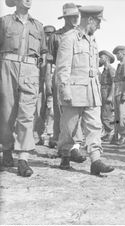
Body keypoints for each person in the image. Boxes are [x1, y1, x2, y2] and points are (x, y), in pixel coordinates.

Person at [56, 5, 114, 175]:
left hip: (92, 91)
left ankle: (96, 160)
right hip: (74, 91)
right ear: (89, 20)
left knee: (95, 126)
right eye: (97, 22)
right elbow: (62, 67)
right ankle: (65, 155)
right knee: (69, 127)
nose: (99, 26)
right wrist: (64, 89)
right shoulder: (69, 38)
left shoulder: (93, 40)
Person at [0, 0, 47, 176]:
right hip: (6, 66)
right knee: (5, 113)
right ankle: (6, 149)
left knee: (27, 114)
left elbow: (43, 53)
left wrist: (42, 77)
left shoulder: (38, 26)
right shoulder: (4, 21)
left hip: (30, 70)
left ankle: (23, 159)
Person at [47, 3, 83, 158]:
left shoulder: (81, 34)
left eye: (76, 16)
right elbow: (49, 60)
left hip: (78, 76)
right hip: (61, 76)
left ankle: (75, 146)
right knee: (60, 110)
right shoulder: (56, 36)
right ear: (65, 18)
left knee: (77, 111)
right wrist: (48, 80)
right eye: (71, 16)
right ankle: (60, 144)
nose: (74, 19)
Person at [34, 25, 56, 146]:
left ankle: (49, 135)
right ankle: (38, 134)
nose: (49, 36)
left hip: (50, 82)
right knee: (37, 110)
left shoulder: (55, 48)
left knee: (51, 109)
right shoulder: (38, 49)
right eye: (47, 34)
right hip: (38, 82)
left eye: (51, 34)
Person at [112, 45, 125, 146]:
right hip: (117, 90)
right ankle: (118, 135)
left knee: (123, 114)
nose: (117, 55)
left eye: (118, 53)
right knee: (117, 115)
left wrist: (124, 93)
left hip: (123, 90)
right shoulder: (120, 65)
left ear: (124, 53)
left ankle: (124, 136)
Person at [98, 50, 115, 142]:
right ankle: (108, 133)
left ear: (107, 59)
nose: (100, 59)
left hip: (107, 92)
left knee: (106, 115)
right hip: (103, 92)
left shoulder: (110, 69)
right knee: (102, 115)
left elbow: (114, 83)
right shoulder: (104, 70)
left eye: (102, 57)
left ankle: (111, 133)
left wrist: (110, 96)